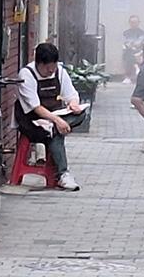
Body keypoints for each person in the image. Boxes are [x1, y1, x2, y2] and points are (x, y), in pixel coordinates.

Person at [15, 43, 87, 191]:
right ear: (38, 63)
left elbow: (71, 94)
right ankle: (63, 174)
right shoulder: (27, 75)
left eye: (53, 67)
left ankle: (63, 173)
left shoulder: (60, 72)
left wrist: (73, 104)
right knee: (54, 131)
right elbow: (35, 107)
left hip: (55, 116)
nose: (51, 71)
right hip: (32, 121)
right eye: (47, 68)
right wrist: (57, 121)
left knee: (81, 115)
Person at [121, 15, 144, 83]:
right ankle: (135, 67)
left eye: (135, 22)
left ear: (138, 23)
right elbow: (125, 43)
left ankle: (129, 76)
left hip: (139, 51)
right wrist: (131, 45)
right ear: (129, 23)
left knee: (130, 54)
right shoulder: (126, 33)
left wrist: (132, 44)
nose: (133, 24)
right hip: (129, 51)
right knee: (128, 53)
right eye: (132, 22)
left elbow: (140, 43)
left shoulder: (142, 33)